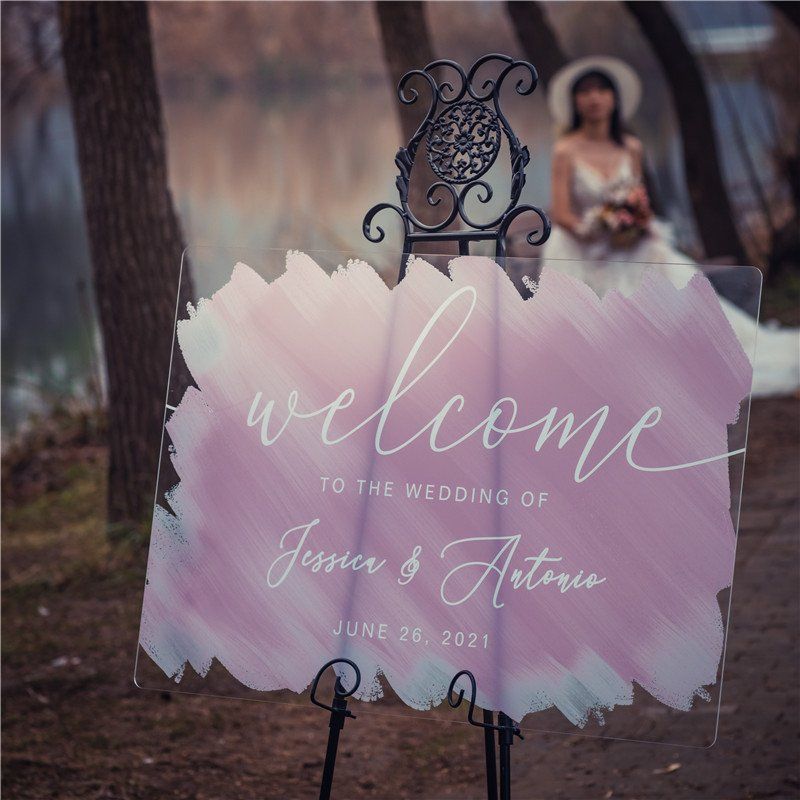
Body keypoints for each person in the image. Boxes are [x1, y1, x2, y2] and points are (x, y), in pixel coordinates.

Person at [538, 56, 799, 397]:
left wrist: (631, 225)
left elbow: (636, 199)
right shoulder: (566, 150)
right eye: (585, 92)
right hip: (581, 246)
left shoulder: (630, 147)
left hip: (627, 243)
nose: (594, 98)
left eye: (602, 90)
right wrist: (597, 228)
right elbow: (561, 212)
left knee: (677, 281)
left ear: (614, 98)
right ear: (575, 101)